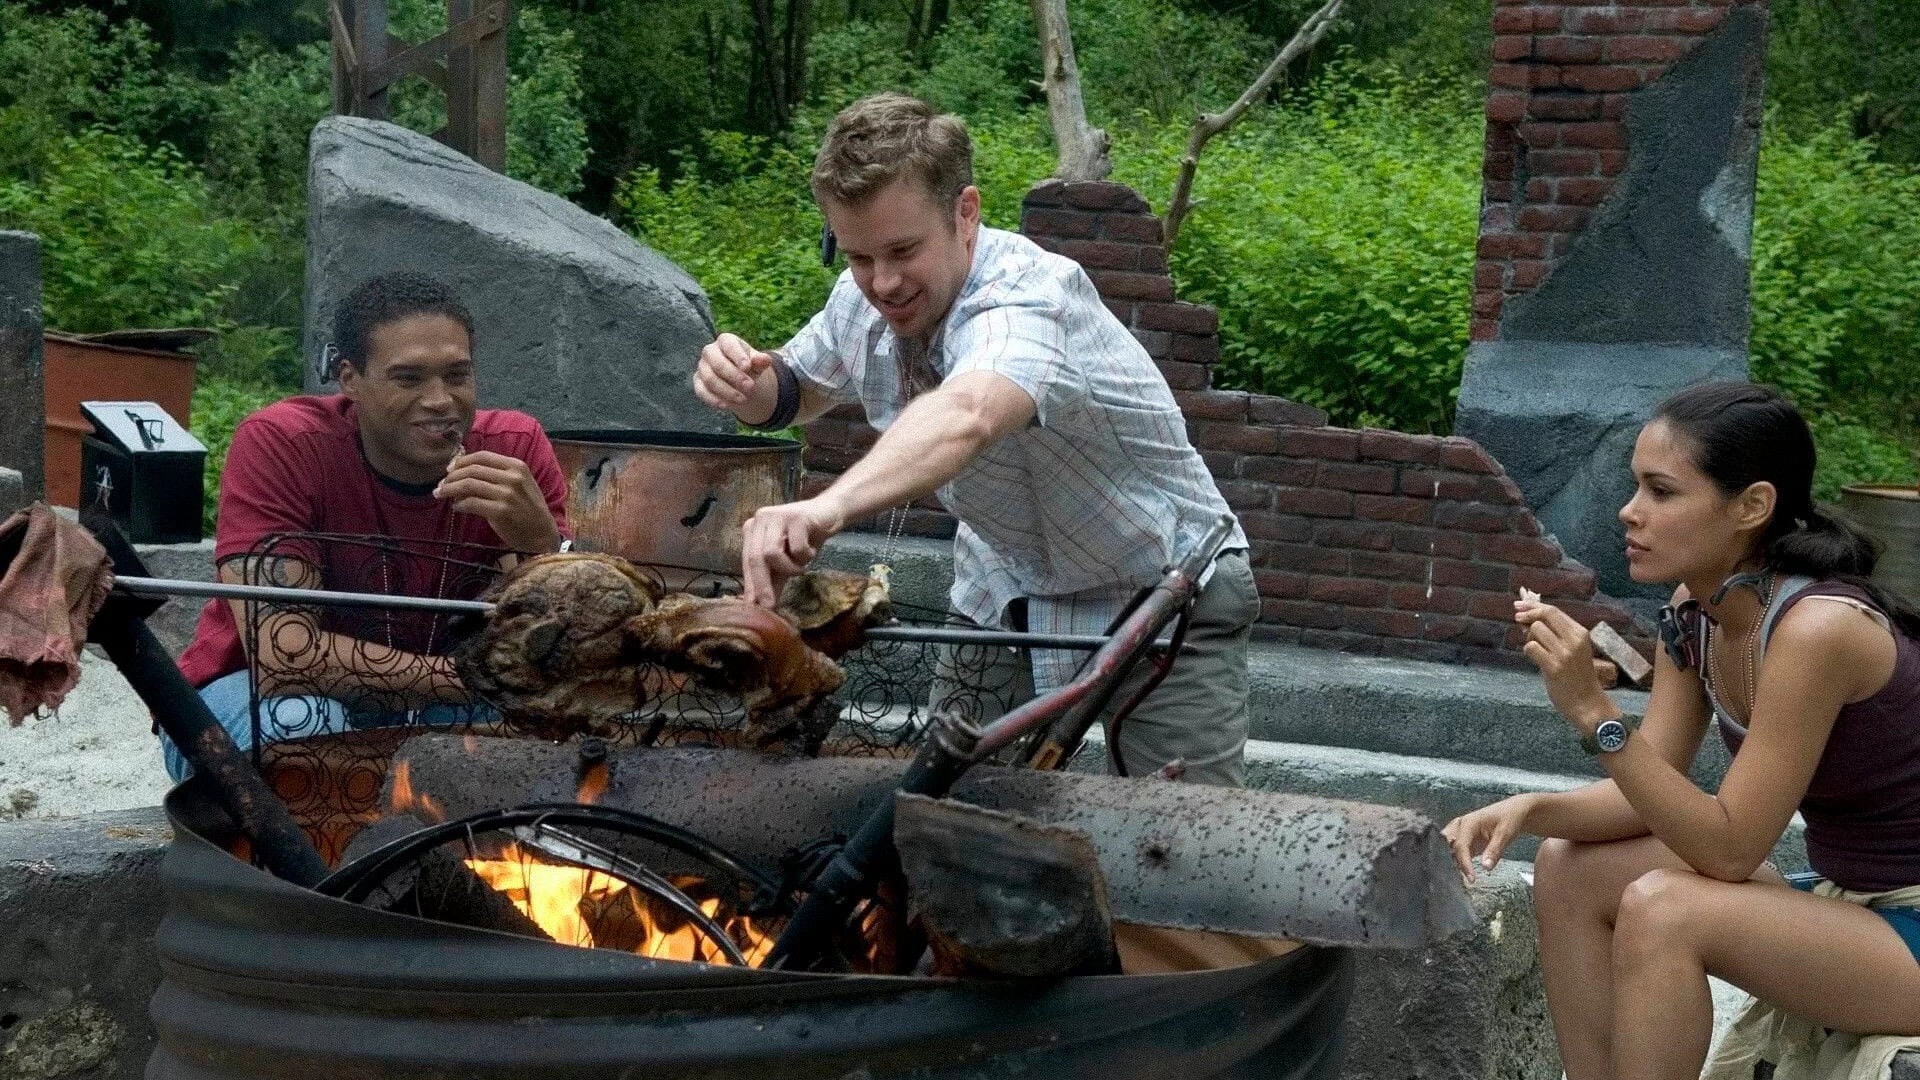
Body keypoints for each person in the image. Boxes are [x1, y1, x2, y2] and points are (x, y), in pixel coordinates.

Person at [691, 92, 1256, 786]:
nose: (883, 283)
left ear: (965, 214)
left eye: (903, 250)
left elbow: (970, 412)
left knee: (1183, 833)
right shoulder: (858, 300)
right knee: (944, 805)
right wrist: (746, 385)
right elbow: (796, 385)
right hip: (1003, 588)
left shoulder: (1029, 296)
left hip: (1164, 588)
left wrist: (824, 508)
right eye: (859, 256)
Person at [1442, 381, 1920, 1080]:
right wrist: (1531, 811)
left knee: (1667, 910)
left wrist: (1594, 714)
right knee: (1570, 867)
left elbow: (1729, 850)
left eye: (1661, 492)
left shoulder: (1817, 630)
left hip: (1908, 923)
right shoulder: (1696, 611)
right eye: (1636, 486)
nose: (1629, 511)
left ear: (1752, 506)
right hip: (1847, 903)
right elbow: (1650, 791)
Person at [162, 271, 571, 780]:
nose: (441, 400)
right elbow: (283, 658)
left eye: (457, 375)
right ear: (350, 378)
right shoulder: (285, 444)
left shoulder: (514, 449)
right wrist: (478, 679)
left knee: (563, 733)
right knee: (304, 723)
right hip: (257, 695)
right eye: (409, 379)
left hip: (441, 705)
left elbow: (561, 649)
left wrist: (542, 545)